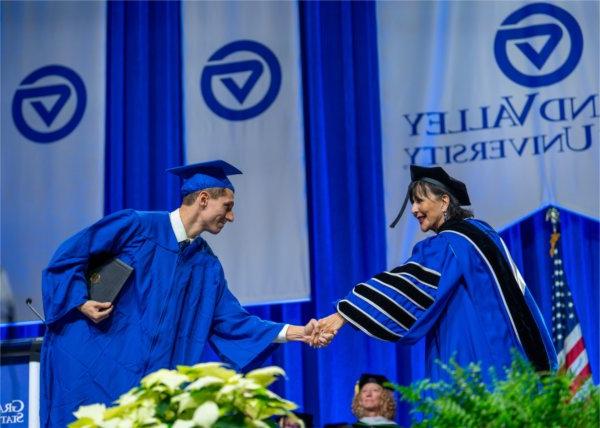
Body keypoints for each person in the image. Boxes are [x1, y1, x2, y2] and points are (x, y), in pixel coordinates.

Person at [41, 160, 329, 427]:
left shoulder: (206, 266)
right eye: (227, 206)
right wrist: (80, 302)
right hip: (92, 360)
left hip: (146, 382)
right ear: (203, 199)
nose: (231, 216)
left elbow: (232, 322)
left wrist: (298, 332)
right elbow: (67, 258)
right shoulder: (137, 226)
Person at [317, 165, 556, 383]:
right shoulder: (483, 233)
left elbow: (411, 283)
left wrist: (345, 313)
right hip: (509, 351)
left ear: (444, 202)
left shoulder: (450, 243)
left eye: (419, 201)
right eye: (412, 202)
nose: (414, 209)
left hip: (472, 351)